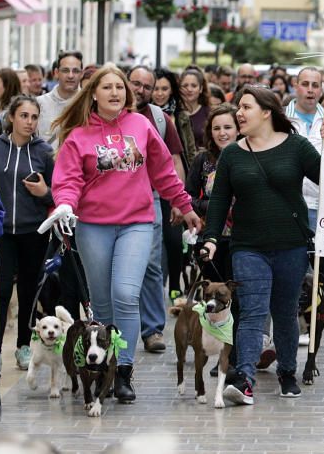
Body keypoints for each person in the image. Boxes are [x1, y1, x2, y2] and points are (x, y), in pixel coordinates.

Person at [47, 64, 200, 403]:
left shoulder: (141, 125)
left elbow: (163, 171)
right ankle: (103, 364)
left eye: (120, 87)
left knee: (126, 294)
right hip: (92, 225)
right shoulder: (79, 135)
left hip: (136, 222)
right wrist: (66, 205)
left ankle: (125, 371)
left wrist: (184, 205)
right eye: (107, 88)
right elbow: (68, 180)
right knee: (101, 303)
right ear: (94, 95)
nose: (115, 93)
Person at [200, 86, 320, 405]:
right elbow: (219, 201)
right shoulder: (232, 154)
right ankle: (245, 379)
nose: (239, 113)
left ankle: (287, 373)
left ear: (266, 112)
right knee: (252, 311)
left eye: (246, 107)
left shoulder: (297, 147)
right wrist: (211, 237)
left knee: (284, 312)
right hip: (247, 246)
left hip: (291, 245)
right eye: (239, 107)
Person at [0, 95, 55, 370]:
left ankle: (24, 345)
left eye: (34, 117)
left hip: (33, 233)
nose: (29, 122)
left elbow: (57, 195)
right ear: (11, 117)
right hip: (0, 233)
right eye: (24, 116)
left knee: (28, 292)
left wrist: (44, 192)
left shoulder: (45, 151)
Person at [127, 65, 187, 351]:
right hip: (107, 199)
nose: (140, 90)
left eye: (146, 86)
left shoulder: (161, 119)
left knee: (151, 262)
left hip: (148, 196)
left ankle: (152, 329)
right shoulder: (106, 112)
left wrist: (179, 199)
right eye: (135, 83)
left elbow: (174, 160)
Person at [285, 68, 324, 311]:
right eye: (305, 84)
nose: (310, 90)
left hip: (319, 203)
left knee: (318, 265)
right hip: (289, 204)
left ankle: (313, 313)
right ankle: (297, 312)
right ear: (296, 86)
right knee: (295, 264)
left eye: (315, 85)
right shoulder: (281, 118)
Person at [185, 104, 239, 282]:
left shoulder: (250, 156)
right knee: (214, 292)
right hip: (209, 237)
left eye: (227, 127)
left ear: (238, 130)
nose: (222, 133)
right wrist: (210, 206)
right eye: (216, 128)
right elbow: (188, 196)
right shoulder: (203, 159)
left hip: (241, 239)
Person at [37, 51, 83, 145]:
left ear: (81, 74)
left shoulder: (90, 104)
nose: (70, 75)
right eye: (65, 70)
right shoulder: (39, 103)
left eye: (75, 71)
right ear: (56, 73)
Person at [179, 69, 210, 151]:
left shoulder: (209, 113)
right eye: (185, 85)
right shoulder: (173, 114)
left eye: (194, 85)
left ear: (201, 89)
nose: (189, 89)